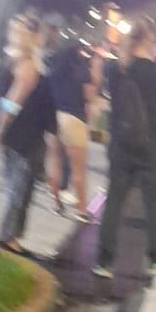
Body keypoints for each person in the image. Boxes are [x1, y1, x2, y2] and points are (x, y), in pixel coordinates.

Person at [94, 16, 156, 280]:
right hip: (152, 145)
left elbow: (98, 81)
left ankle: (104, 262)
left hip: (120, 143)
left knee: (115, 202)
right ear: (150, 40)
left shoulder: (114, 68)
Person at [0, 14, 55, 254]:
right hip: (26, 136)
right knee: (20, 189)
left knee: (16, 186)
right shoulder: (29, 66)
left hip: (15, 135)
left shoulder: (10, 61)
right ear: (34, 37)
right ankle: (9, 238)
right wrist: (0, 126)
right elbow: (13, 100)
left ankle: (10, 235)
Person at [43, 19, 95, 222]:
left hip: (54, 116)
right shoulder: (81, 70)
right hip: (74, 117)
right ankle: (82, 209)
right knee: (78, 167)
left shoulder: (53, 69)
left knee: (54, 161)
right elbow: (90, 97)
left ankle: (56, 204)